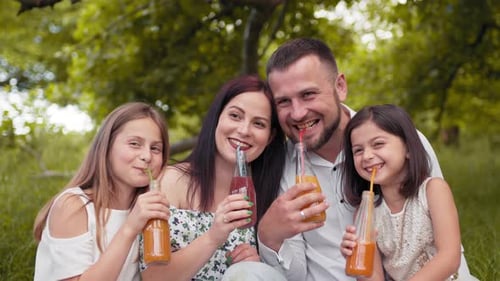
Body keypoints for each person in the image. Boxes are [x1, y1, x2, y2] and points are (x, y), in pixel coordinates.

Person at [253, 37, 470, 281]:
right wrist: (270, 238)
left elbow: (444, 245)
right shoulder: (279, 169)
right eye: (284, 101)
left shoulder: (401, 143)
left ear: (340, 86)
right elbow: (294, 275)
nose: (298, 112)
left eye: (308, 94)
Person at [141, 75, 287, 281]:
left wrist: (254, 266)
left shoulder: (269, 193)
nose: (244, 130)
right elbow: (152, 277)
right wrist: (213, 237)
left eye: (259, 124)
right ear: (217, 117)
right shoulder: (170, 182)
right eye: (235, 116)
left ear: (270, 137)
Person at [33, 102, 171, 281]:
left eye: (155, 148)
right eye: (134, 144)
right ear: (106, 147)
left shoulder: (152, 216)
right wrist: (129, 228)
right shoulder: (74, 206)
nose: (147, 156)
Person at [340, 104, 478, 281]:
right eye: (358, 150)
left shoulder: (433, 190)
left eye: (378, 144)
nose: (366, 156)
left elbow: (449, 258)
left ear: (408, 148)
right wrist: (358, 264)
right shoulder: (366, 212)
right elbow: (375, 277)